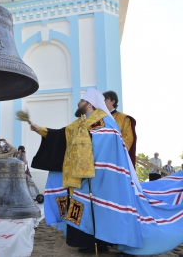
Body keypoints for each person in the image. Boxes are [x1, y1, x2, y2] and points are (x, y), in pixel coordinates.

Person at [30, 88, 128, 254]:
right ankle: (87, 242)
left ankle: (102, 243)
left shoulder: (103, 120)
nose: (78, 103)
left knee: (97, 208)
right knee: (80, 207)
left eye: (81, 101)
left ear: (89, 104)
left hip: (98, 176)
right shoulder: (80, 122)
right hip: (78, 177)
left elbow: (110, 139)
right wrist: (40, 129)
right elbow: (61, 135)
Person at [103, 91, 137, 168]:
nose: (102, 102)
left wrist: (116, 154)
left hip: (116, 159)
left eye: (105, 100)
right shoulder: (99, 119)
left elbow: (128, 140)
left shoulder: (124, 118)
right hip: (101, 157)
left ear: (113, 101)